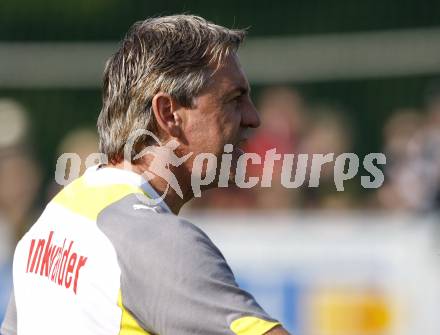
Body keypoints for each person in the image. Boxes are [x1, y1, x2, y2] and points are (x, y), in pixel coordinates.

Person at [1, 15, 290, 335]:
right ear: (169, 114)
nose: (253, 118)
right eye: (234, 100)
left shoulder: (52, 222)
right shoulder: (158, 240)